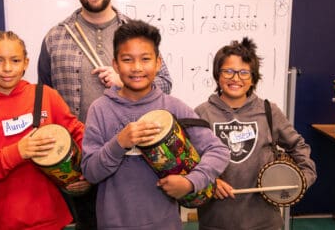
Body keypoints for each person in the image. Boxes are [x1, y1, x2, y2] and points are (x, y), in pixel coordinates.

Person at [37, 0, 172, 229]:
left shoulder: (135, 32)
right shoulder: (56, 36)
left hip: (136, 155)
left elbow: (166, 84)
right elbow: (44, 98)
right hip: (83, 160)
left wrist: (124, 81)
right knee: (88, 223)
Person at [80, 20, 230, 230]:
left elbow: (219, 150)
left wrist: (191, 181)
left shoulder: (173, 107)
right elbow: (90, 172)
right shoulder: (100, 109)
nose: (137, 68)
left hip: (165, 224)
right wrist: (119, 143)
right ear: (115, 64)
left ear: (158, 63)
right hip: (113, 224)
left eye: (145, 59)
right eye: (127, 60)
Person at [0, 31, 89, 230]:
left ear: (26, 63)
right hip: (5, 221)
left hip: (52, 219)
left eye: (15, 60)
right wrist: (17, 152)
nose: (7, 68)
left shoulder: (45, 96)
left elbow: (80, 134)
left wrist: (86, 172)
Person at [194, 37, 317, 230]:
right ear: (218, 75)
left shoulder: (269, 111)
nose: (236, 78)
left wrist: (301, 180)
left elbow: (299, 147)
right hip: (216, 222)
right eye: (228, 71)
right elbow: (188, 161)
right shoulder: (201, 113)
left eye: (244, 72)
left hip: (265, 223)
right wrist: (208, 182)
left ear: (253, 78)